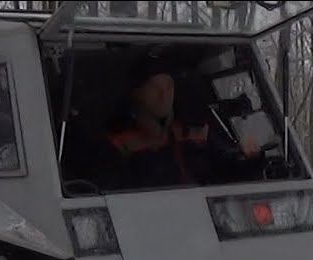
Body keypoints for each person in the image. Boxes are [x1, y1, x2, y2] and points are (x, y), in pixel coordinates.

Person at [105, 56, 263, 189]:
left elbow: (224, 171)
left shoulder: (194, 131)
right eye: (154, 88)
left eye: (168, 86)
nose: (164, 94)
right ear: (137, 94)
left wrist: (250, 159)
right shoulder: (119, 144)